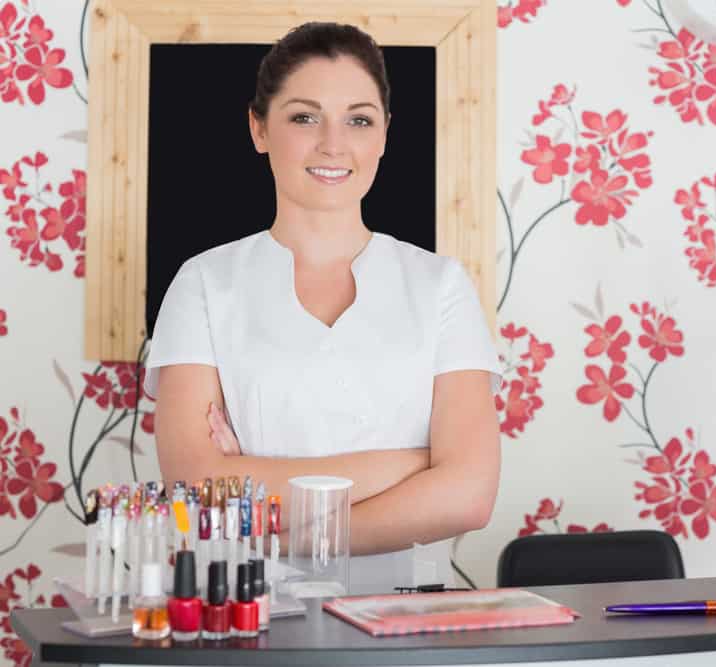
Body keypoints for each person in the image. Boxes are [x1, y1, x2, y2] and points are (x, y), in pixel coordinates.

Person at [142, 22, 502, 594]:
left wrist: (274, 526)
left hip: (407, 620)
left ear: (384, 135)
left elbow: (469, 495)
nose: (333, 144)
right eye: (304, 117)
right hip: (245, 610)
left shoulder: (441, 286)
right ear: (259, 128)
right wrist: (417, 463)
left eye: (359, 119)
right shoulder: (203, 283)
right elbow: (196, 484)